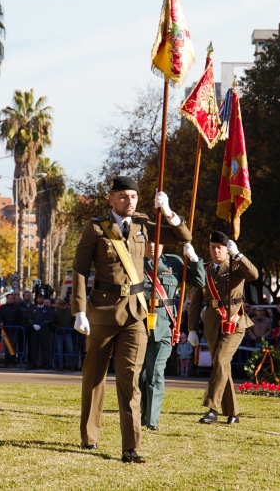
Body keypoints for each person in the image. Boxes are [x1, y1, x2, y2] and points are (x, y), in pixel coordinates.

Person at [72, 176, 190, 463]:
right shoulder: (95, 228)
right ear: (111, 199)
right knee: (94, 377)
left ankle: (130, 447)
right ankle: (90, 436)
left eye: (133, 197)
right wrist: (79, 310)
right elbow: (79, 269)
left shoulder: (144, 225)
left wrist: (170, 212)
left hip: (135, 313)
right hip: (102, 311)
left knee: (130, 379)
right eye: (123, 196)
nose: (129, 201)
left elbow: (184, 237)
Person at [188, 231, 259, 426]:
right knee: (222, 367)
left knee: (220, 361)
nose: (216, 250)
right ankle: (233, 413)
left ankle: (212, 409)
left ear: (227, 249)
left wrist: (239, 255)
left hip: (234, 322)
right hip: (212, 323)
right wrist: (192, 329)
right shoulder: (204, 270)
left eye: (220, 247)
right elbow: (195, 303)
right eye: (213, 247)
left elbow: (254, 274)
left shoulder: (236, 266)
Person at [139, 241, 205, 430]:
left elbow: (199, 282)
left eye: (157, 241)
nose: (152, 245)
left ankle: (152, 421)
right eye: (148, 241)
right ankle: (144, 414)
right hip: (139, 326)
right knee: (141, 376)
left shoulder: (174, 263)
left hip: (164, 327)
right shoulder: (135, 262)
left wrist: (193, 259)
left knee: (156, 373)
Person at [28, 296, 54, 370]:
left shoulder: (47, 309)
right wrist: (33, 325)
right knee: (34, 348)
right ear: (37, 299)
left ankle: (45, 364)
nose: (41, 300)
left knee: (45, 348)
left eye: (42, 298)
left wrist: (41, 326)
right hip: (34, 331)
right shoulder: (33, 308)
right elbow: (29, 318)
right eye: (39, 298)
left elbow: (49, 319)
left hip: (44, 331)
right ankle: (34, 364)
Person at [50, 298, 75, 371]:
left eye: (64, 304)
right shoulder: (56, 313)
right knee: (59, 349)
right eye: (61, 304)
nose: (63, 305)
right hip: (59, 333)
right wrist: (58, 328)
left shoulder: (70, 312)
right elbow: (52, 322)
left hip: (68, 332)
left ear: (66, 304)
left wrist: (70, 328)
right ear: (59, 305)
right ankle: (61, 365)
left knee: (70, 349)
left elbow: (74, 321)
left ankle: (71, 365)